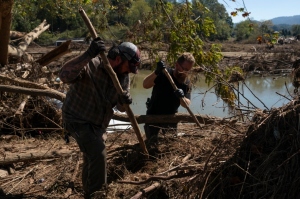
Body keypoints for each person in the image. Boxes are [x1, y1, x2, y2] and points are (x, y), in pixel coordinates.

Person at [59, 38, 141, 198]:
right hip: (76, 119)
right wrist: (88, 54)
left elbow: (121, 108)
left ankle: (88, 192)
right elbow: (63, 76)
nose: (129, 72)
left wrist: (125, 101)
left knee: (91, 157)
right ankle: (98, 195)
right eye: (128, 67)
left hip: (98, 125)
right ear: (118, 59)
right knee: (98, 153)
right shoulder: (92, 64)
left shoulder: (123, 76)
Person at [143, 52, 195, 143]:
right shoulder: (164, 73)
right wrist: (156, 72)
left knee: (170, 144)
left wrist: (182, 97)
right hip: (153, 114)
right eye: (184, 69)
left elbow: (186, 104)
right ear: (177, 65)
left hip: (171, 117)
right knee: (151, 143)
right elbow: (145, 85)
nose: (186, 72)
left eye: (188, 70)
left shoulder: (186, 83)